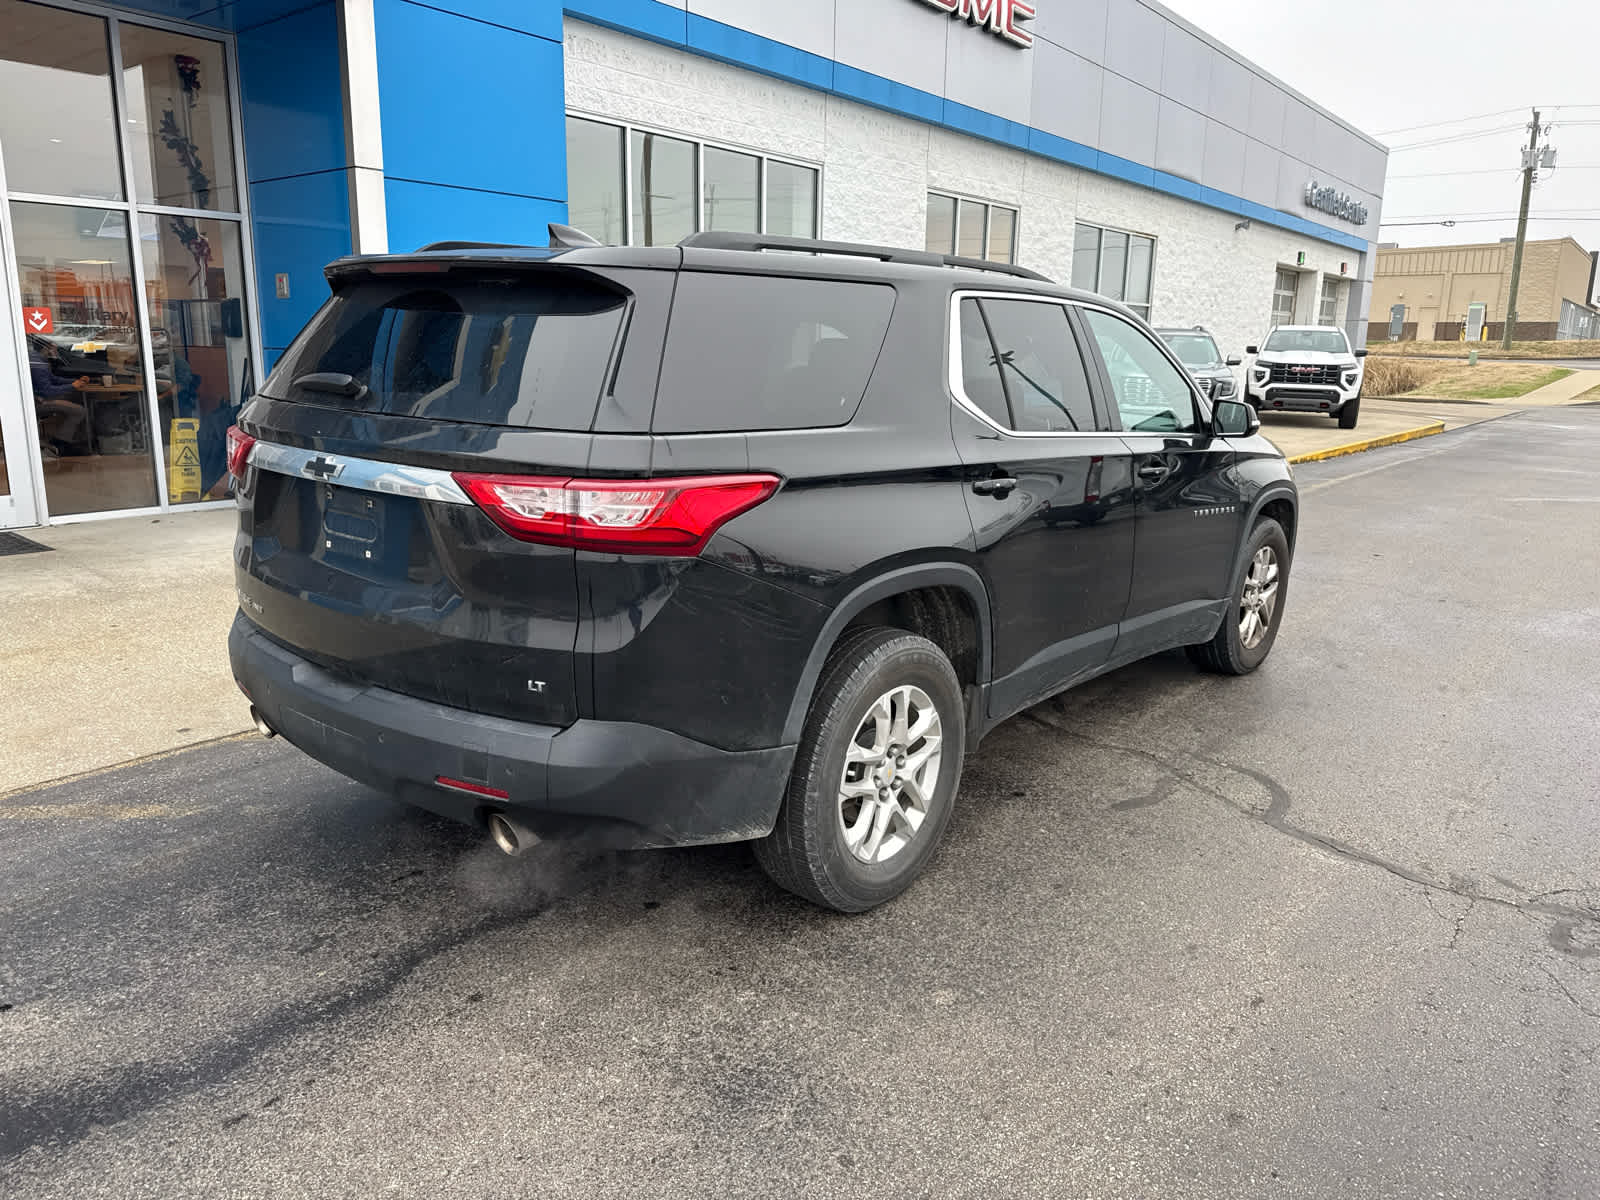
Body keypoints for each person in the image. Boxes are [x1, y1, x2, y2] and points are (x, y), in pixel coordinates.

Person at [28, 342, 90, 457]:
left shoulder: (39, 360)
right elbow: (47, 392)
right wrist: (72, 386)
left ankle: (74, 439)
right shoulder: (38, 364)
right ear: (47, 348)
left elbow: (53, 379)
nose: (56, 351)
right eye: (55, 348)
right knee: (79, 410)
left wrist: (75, 381)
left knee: (77, 397)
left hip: (40, 397)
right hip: (36, 402)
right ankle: (60, 444)